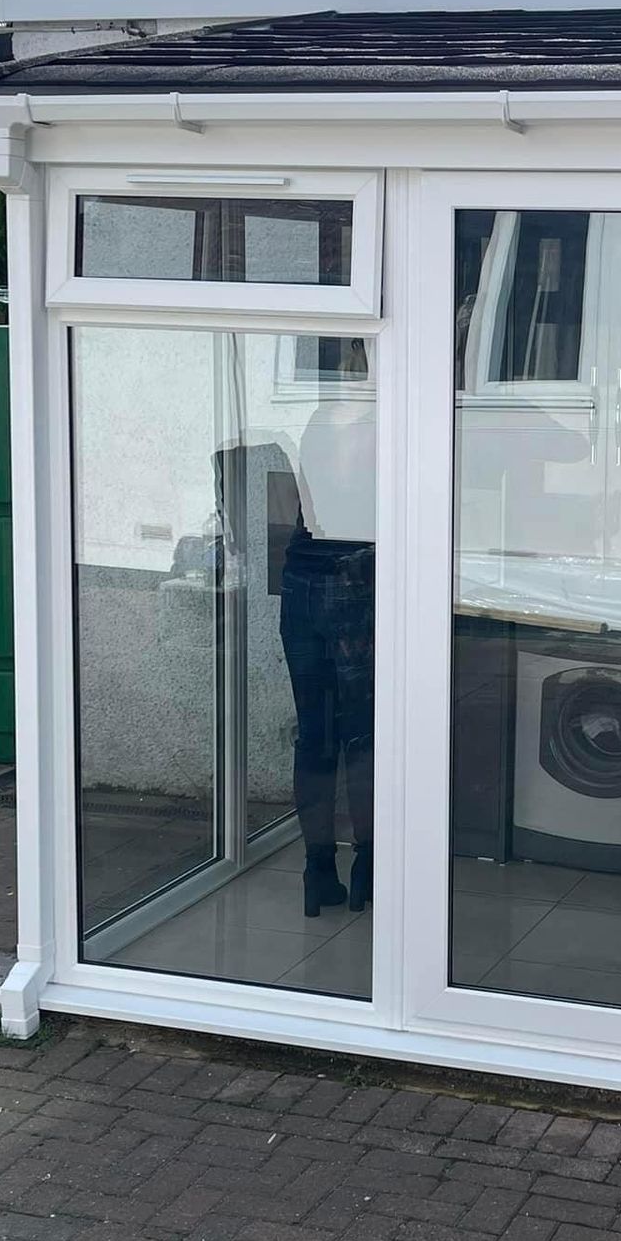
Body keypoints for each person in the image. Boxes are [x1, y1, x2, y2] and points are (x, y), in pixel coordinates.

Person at [263, 343, 377, 918]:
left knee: (314, 735)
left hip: (300, 584)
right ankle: (369, 868)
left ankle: (317, 872)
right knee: (362, 732)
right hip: (354, 583)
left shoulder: (316, 423)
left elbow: (310, 511)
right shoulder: (382, 421)